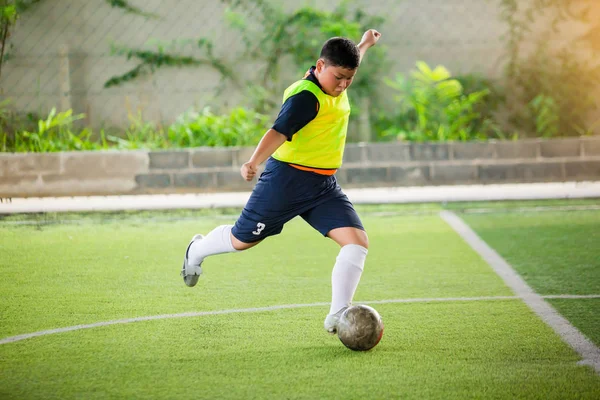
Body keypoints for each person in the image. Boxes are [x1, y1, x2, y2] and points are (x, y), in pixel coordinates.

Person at [181, 29, 382, 334]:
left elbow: (349, 61)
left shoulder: (334, 77)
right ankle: (196, 250)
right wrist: (253, 161)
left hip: (323, 186)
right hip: (285, 182)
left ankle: (338, 312)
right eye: (338, 77)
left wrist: (365, 44)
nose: (342, 85)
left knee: (357, 243)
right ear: (320, 66)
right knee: (241, 241)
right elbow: (277, 132)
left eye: (349, 79)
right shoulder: (306, 97)